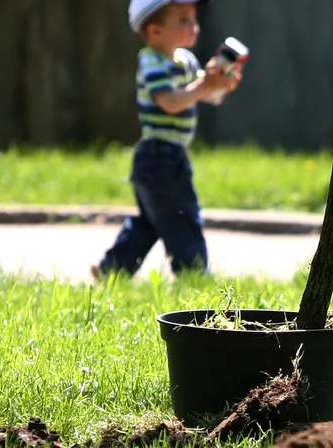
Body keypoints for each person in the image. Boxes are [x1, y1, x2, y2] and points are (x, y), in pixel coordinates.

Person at [92, 0, 241, 280]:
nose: (194, 27)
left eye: (194, 19)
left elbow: (202, 94)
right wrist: (203, 85)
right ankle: (193, 274)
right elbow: (170, 102)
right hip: (158, 156)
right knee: (182, 215)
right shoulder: (151, 62)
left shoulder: (185, 60)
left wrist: (218, 84)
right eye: (183, 20)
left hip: (171, 155)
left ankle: (111, 271)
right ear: (155, 30)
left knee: (151, 221)